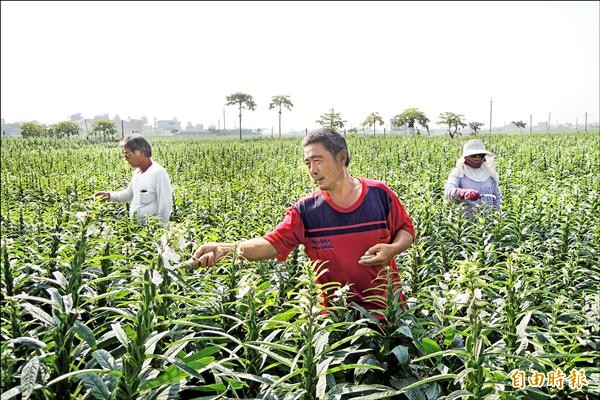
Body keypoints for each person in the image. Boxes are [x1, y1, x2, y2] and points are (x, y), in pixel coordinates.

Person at [192, 127, 415, 315]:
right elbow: (271, 244)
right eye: (307, 163)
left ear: (342, 158)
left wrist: (392, 249)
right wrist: (225, 249)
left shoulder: (379, 194)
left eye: (318, 161)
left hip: (387, 312)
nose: (312, 170)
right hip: (337, 319)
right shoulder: (306, 210)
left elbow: (405, 229)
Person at [95, 134, 173, 225]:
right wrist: (109, 195)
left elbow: (165, 206)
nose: (125, 158)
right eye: (124, 154)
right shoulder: (138, 172)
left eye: (128, 154)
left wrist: (160, 231)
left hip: (151, 232)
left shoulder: (158, 173)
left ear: (142, 153)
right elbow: (129, 194)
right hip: (138, 231)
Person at [444, 139, 502, 214]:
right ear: (466, 157)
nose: (477, 157)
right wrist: (462, 193)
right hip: (465, 221)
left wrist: (496, 213)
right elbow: (448, 191)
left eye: (480, 155)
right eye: (474, 155)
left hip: (487, 220)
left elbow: (496, 195)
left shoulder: (489, 173)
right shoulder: (459, 172)